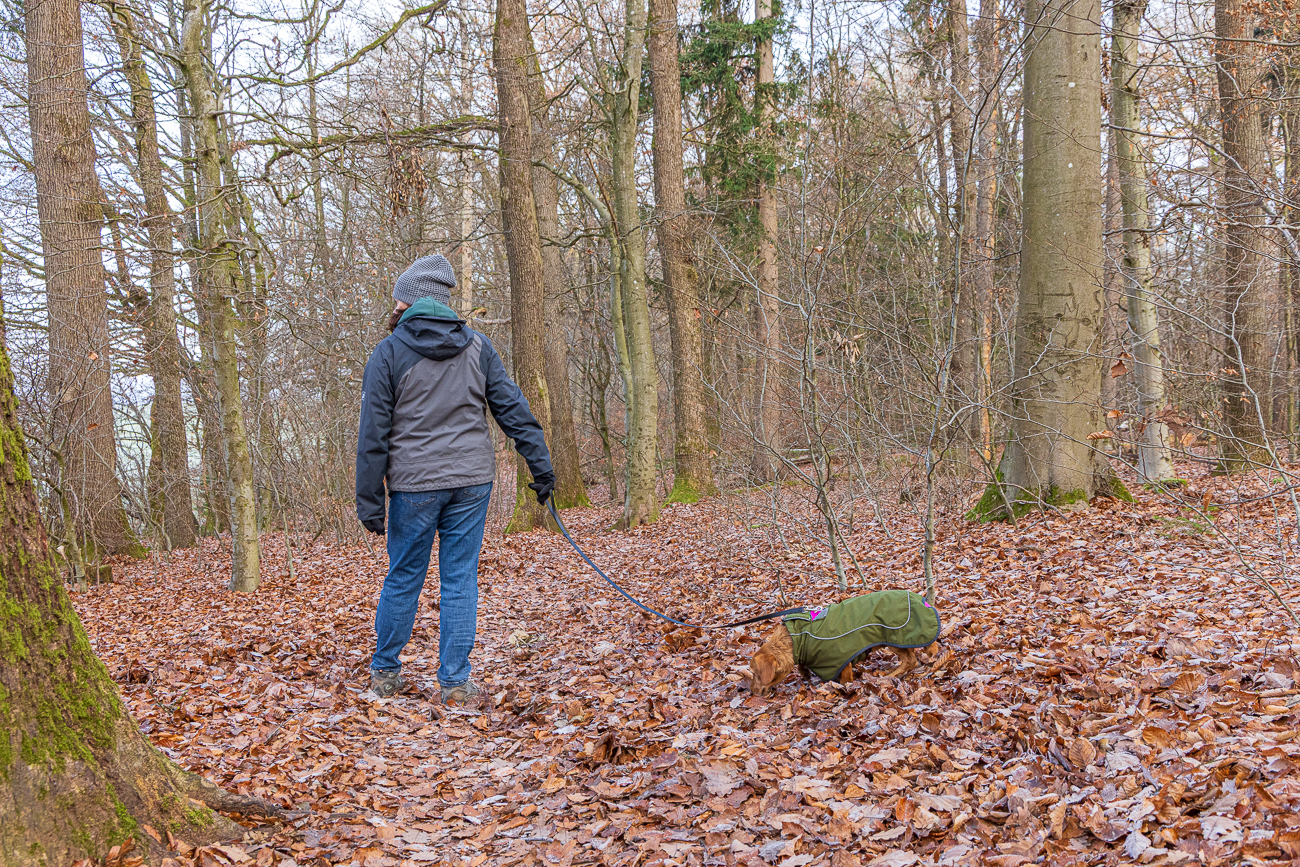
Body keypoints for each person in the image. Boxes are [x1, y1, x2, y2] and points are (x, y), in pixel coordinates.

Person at [356, 254, 554, 704]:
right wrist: (540, 466)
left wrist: (369, 501)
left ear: (406, 300)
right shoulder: (478, 347)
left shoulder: (388, 353)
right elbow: (514, 411)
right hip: (471, 480)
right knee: (460, 578)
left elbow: (373, 434)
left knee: (404, 575)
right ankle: (455, 682)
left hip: (415, 485)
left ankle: (385, 673)